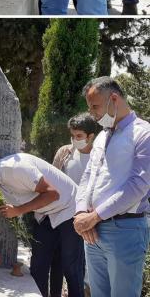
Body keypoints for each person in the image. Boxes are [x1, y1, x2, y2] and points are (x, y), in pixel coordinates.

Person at [0, 147, 83, 297]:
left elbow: (52, 194)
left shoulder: (15, 168)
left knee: (70, 268)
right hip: (44, 214)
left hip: (68, 208)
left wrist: (18, 210)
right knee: (38, 268)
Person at [74, 77, 150, 297]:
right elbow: (88, 177)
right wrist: (81, 213)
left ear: (114, 99)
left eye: (95, 106)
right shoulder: (101, 137)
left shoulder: (143, 134)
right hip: (93, 232)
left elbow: (138, 185)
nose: (93, 113)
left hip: (124, 230)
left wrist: (95, 216)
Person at [51, 113, 101, 297]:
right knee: (67, 264)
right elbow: (53, 180)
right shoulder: (65, 153)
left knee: (87, 266)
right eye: (72, 136)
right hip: (66, 217)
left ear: (91, 136)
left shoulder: (101, 156)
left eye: (79, 136)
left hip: (92, 219)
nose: (74, 140)